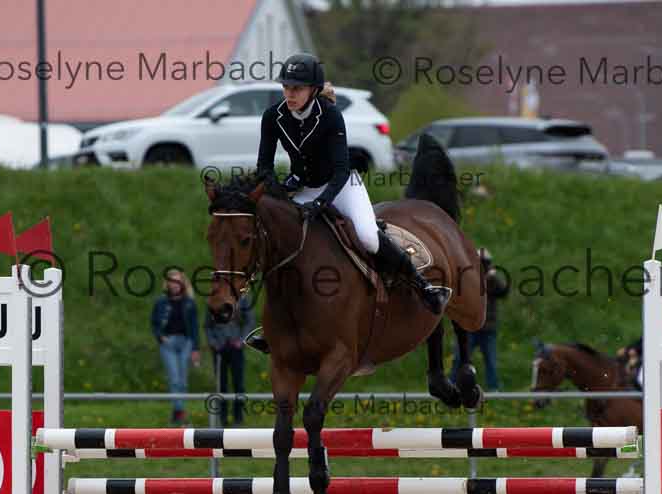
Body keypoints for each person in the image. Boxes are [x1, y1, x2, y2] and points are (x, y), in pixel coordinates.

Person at [254, 53, 450, 315]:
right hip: (303, 187)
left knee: (368, 237)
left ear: (313, 90)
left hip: (343, 185)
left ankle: (424, 287)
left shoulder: (330, 115)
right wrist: (276, 191)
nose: (290, 94)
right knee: (277, 237)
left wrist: (320, 203)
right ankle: (275, 315)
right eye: (286, 87)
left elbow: (341, 170)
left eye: (297, 88)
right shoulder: (272, 116)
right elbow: (264, 167)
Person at [451, 248, 508, 389]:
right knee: (460, 359)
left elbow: (503, 292)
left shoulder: (492, 281)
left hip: (488, 328)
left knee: (491, 361)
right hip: (469, 327)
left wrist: (493, 278)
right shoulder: (467, 278)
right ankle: (451, 385)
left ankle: (493, 388)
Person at [151, 270, 200, 425]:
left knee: (183, 380)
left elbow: (194, 327)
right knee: (174, 379)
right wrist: (160, 336)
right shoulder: (161, 302)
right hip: (168, 343)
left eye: (178, 281)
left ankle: (177, 413)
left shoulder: (190, 303)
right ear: (168, 284)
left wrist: (195, 349)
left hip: (185, 342)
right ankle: (180, 413)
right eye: (172, 281)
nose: (175, 284)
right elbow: (154, 323)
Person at [204, 292, 255, 425]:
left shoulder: (243, 298)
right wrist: (214, 343)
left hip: (236, 347)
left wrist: (242, 340)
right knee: (221, 384)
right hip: (219, 348)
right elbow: (207, 326)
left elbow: (249, 321)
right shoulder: (214, 298)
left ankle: (238, 417)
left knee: (239, 383)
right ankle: (223, 418)